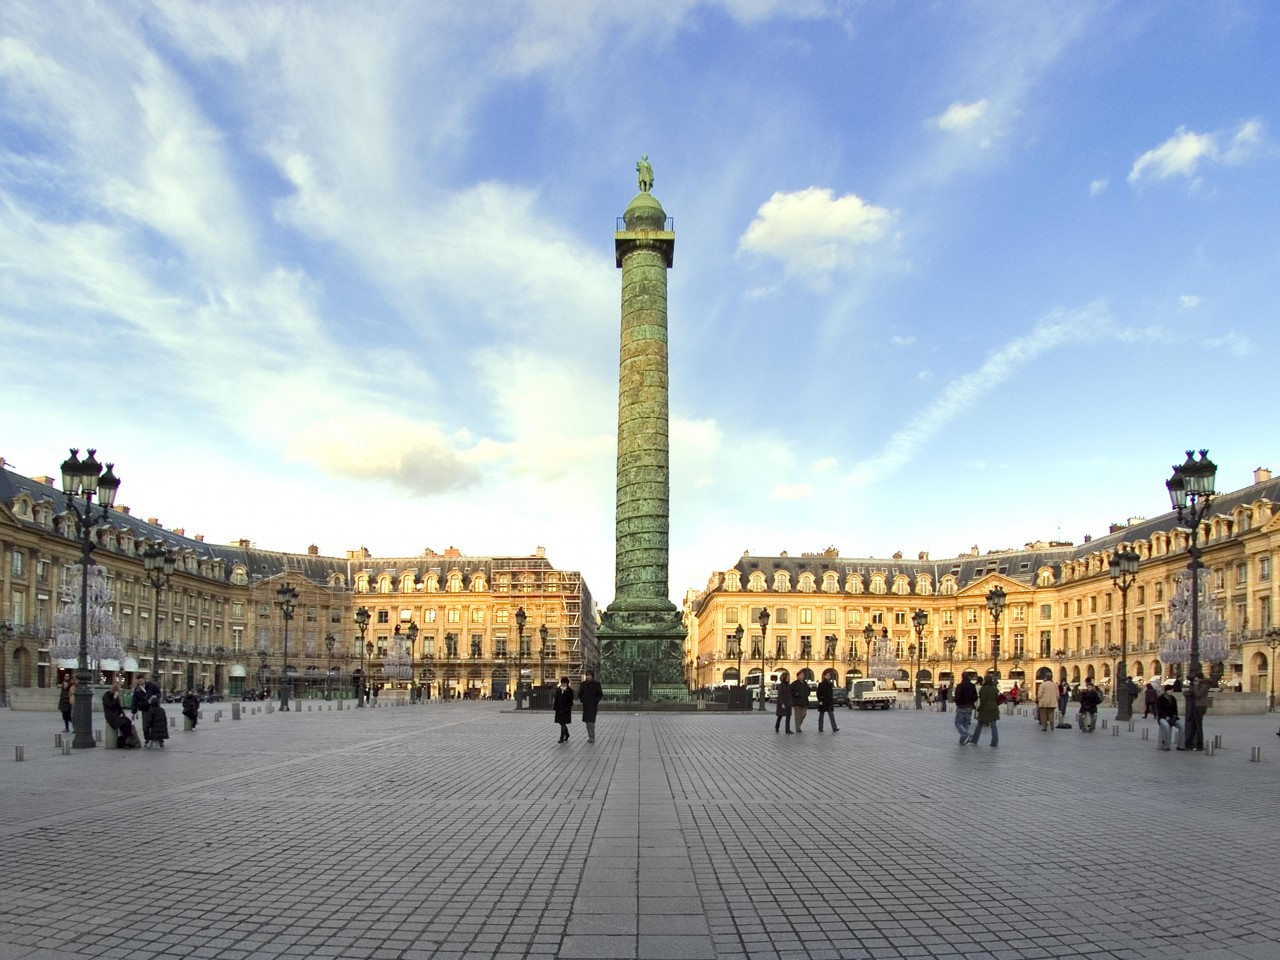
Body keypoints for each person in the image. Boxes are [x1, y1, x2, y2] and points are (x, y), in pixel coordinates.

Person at [102, 682, 139, 749]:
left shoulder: (115, 697)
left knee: (128, 721)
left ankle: (126, 740)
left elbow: (119, 707)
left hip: (117, 715)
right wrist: (115, 697)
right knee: (124, 723)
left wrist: (122, 713)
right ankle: (125, 741)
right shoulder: (106, 696)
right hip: (111, 716)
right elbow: (111, 706)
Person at [967, 674, 1000, 747]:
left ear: (985, 681)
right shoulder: (995, 689)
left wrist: (978, 708)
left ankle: (974, 740)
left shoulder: (983, 689)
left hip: (985, 709)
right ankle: (995, 742)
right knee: (993, 726)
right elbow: (996, 698)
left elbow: (983, 701)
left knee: (979, 725)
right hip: (994, 708)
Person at [1186, 673, 1212, 751]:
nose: (1195, 681)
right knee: (1194, 725)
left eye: (1196, 679)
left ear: (1199, 678)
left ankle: (1199, 745)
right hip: (1197, 706)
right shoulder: (1202, 685)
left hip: (1200, 706)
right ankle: (1189, 743)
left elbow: (1197, 695)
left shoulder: (1204, 685)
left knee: (1198, 726)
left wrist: (1196, 686)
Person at [1155, 680, 1182, 751]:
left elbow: (1176, 710)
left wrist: (1175, 716)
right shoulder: (1160, 699)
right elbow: (1159, 710)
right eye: (1170, 690)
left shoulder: (1173, 699)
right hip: (1162, 718)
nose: (1171, 691)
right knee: (1167, 726)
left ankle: (1181, 745)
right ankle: (1167, 746)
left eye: (1172, 690)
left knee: (1182, 726)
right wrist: (1165, 717)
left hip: (1172, 717)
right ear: (1166, 691)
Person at [579, 670, 603, 743]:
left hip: (593, 705)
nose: (588, 676)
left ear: (592, 676)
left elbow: (600, 694)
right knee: (587, 721)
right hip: (586, 705)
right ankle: (590, 736)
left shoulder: (596, 684)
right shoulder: (583, 684)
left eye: (589, 675)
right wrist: (582, 700)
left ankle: (592, 737)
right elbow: (580, 693)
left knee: (591, 721)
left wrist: (596, 701)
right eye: (587, 675)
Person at [952, 674, 978, 744]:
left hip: (961, 706)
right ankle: (962, 740)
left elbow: (957, 696)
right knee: (966, 724)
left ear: (962, 677)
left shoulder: (960, 686)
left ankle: (966, 735)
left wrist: (958, 703)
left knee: (957, 723)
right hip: (969, 707)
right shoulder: (972, 686)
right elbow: (975, 697)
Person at [553, 676, 574, 743]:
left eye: (565, 683)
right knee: (562, 723)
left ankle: (561, 738)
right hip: (559, 709)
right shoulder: (558, 689)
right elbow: (556, 699)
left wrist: (567, 709)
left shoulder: (570, 691)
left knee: (563, 723)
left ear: (567, 683)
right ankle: (567, 734)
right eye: (562, 683)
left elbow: (570, 702)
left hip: (566, 710)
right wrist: (555, 706)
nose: (563, 684)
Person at [774, 669, 793, 734]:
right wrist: (782, 703)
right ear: (784, 678)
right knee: (780, 716)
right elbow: (780, 695)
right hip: (782, 703)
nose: (789, 678)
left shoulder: (789, 685)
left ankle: (787, 729)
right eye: (788, 677)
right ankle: (777, 726)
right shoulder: (781, 685)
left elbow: (790, 694)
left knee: (788, 716)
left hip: (788, 703)